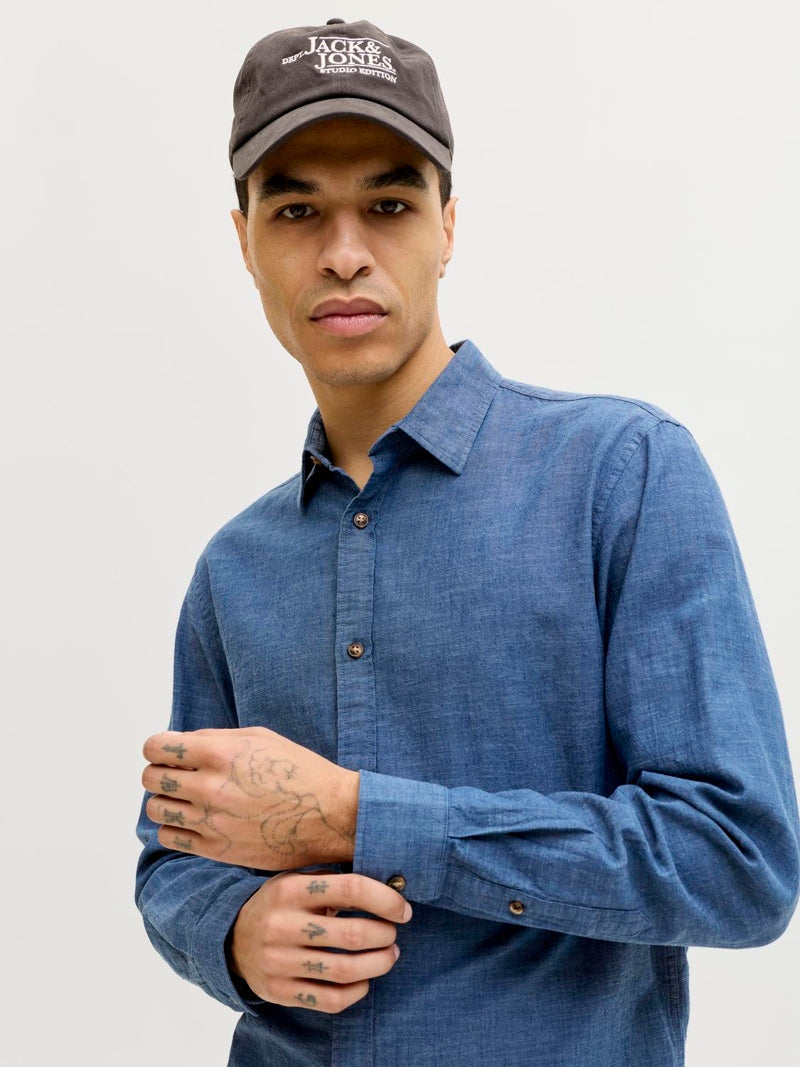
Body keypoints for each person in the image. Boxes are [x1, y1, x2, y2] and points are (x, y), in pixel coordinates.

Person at [136, 17, 800, 1066]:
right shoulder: (234, 566)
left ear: (447, 224)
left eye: (388, 205)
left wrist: (361, 817)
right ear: (243, 241)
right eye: (297, 209)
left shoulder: (622, 473)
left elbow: (737, 861)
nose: (344, 253)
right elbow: (173, 855)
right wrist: (231, 930)